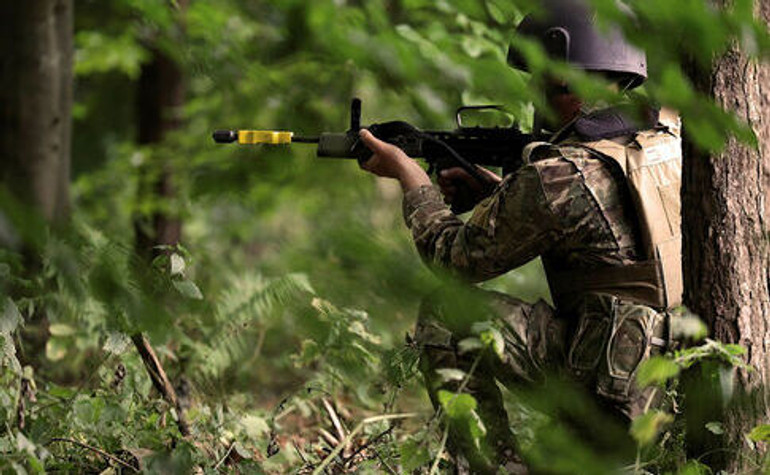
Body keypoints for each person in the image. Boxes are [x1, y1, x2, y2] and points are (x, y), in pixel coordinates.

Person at [358, 0, 682, 472]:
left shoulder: (563, 175)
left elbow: (454, 259)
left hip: (613, 395)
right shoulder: (666, 141)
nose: (532, 88)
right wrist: (498, 191)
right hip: (675, 384)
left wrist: (411, 179)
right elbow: (613, 238)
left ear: (564, 77)